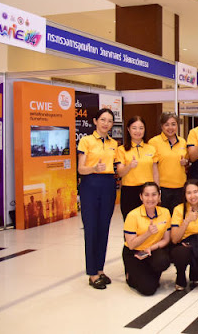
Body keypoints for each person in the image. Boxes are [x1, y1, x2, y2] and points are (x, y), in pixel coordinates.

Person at [77, 108, 118, 290]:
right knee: (91, 228)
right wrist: (94, 168)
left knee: (104, 228)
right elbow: (80, 169)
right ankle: (92, 273)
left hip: (108, 184)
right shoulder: (86, 141)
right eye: (103, 119)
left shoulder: (114, 143)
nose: (106, 123)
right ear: (95, 121)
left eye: (109, 121)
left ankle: (100, 269)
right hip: (90, 184)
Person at [123, 182, 171, 296]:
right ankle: (130, 276)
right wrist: (147, 233)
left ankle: (148, 274)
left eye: (154, 195)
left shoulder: (165, 212)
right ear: (141, 197)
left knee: (163, 261)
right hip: (135, 252)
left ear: (159, 196)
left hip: (151, 250)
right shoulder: (133, 215)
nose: (150, 199)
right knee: (148, 290)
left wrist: (150, 248)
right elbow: (131, 245)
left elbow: (166, 240)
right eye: (146, 195)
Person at [170, 180, 198, 290]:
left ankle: (196, 271)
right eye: (189, 193)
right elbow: (174, 239)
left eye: (195, 192)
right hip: (183, 244)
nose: (192, 196)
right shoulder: (178, 210)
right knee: (181, 253)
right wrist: (187, 220)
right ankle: (180, 275)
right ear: (185, 195)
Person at [116, 116, 159, 220]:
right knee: (130, 222)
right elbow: (120, 172)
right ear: (128, 129)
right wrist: (129, 166)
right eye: (134, 128)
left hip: (148, 191)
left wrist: (158, 191)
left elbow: (155, 172)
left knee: (149, 221)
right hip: (129, 191)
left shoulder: (151, 149)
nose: (138, 131)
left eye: (141, 128)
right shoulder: (121, 150)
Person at [149, 112, 189, 214]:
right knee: (163, 218)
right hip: (163, 188)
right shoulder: (153, 142)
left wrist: (185, 162)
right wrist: (156, 190)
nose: (170, 128)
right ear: (161, 126)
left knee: (178, 218)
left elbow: (187, 161)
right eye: (166, 124)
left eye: (173, 124)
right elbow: (153, 167)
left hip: (180, 187)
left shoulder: (183, 142)